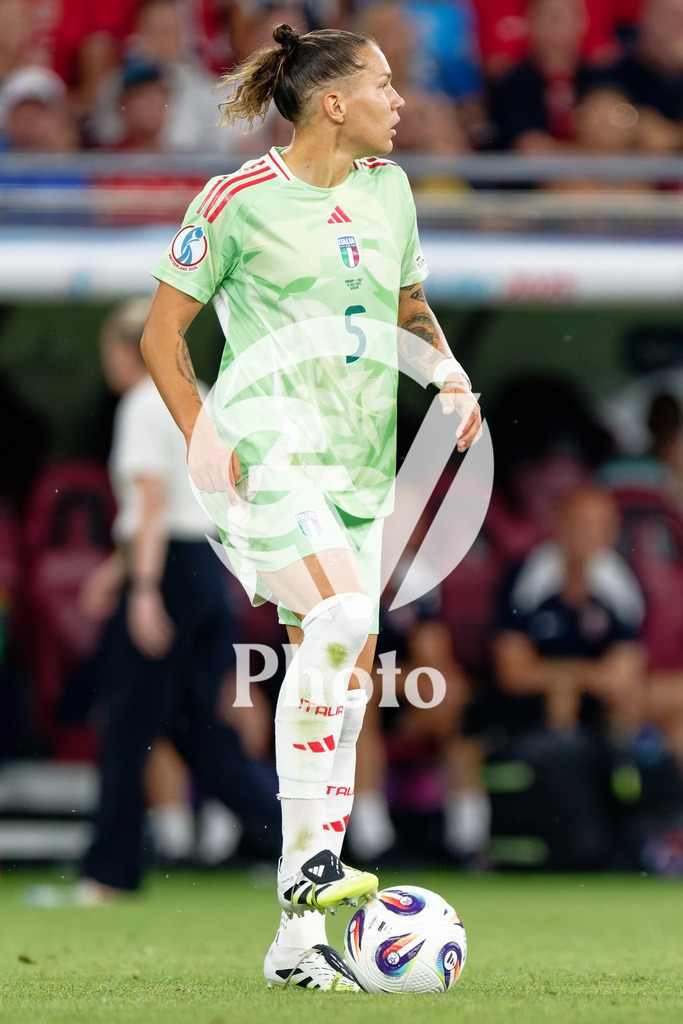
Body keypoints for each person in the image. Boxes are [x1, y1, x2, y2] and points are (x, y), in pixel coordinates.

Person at [139, 22, 481, 991]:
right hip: (269, 460)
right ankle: (309, 866)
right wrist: (210, 436)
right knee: (338, 618)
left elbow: (408, 302)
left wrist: (446, 370)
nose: (400, 99)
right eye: (383, 83)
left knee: (342, 674)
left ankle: (296, 942)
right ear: (333, 102)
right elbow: (165, 337)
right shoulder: (236, 201)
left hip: (359, 472)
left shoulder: (391, 190)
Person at [75, 297, 281, 900]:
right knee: (199, 734)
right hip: (206, 571)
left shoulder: (144, 401)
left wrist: (140, 589)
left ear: (127, 349)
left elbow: (153, 505)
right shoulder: (206, 395)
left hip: (167, 573)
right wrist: (119, 575)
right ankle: (304, 844)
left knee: (127, 724)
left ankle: (108, 872)